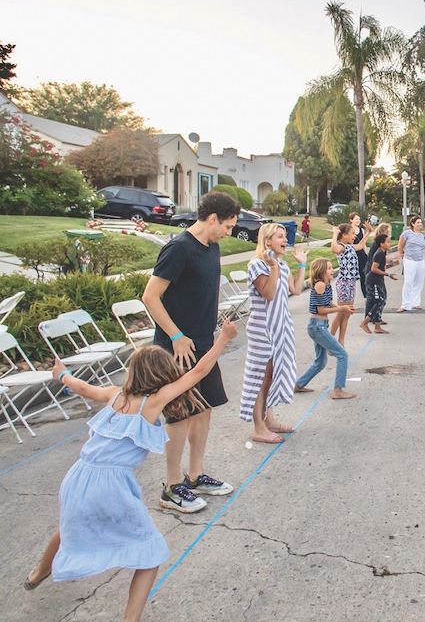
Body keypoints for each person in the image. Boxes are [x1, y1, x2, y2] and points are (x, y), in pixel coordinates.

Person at [24, 322, 238, 620]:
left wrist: (62, 375)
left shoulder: (115, 394)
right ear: (163, 376)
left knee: (68, 527)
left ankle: (38, 573)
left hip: (78, 477)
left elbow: (82, 388)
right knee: (150, 554)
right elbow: (199, 372)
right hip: (110, 486)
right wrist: (223, 339)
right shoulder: (152, 404)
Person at [142, 191, 240, 513]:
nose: (229, 233)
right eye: (227, 226)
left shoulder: (212, 247)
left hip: (204, 343)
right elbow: (150, 297)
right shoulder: (178, 249)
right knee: (179, 415)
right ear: (212, 219)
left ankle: (195, 475)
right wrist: (176, 336)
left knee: (205, 407)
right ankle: (171, 488)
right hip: (178, 349)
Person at [240, 223, 307, 444]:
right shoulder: (257, 265)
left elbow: (295, 290)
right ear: (267, 240)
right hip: (263, 328)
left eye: (285, 236)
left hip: (280, 325)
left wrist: (302, 265)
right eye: (280, 236)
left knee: (271, 375)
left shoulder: (281, 264)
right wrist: (273, 268)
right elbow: (268, 294)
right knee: (260, 377)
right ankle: (258, 427)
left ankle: (269, 419)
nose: (285, 240)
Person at [294, 258, 356, 399]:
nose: (332, 270)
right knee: (342, 354)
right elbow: (320, 310)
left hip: (320, 326)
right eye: (328, 268)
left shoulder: (326, 284)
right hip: (317, 326)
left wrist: (344, 308)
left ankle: (299, 385)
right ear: (321, 271)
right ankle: (338, 390)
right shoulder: (320, 285)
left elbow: (328, 302)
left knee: (321, 362)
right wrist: (341, 308)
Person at [330, 220, 371, 345]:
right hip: (344, 283)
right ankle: (330, 340)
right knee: (341, 312)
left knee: (347, 313)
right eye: (352, 234)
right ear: (344, 236)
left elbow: (360, 246)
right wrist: (335, 234)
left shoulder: (350, 247)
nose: (354, 236)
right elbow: (333, 248)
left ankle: (341, 340)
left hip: (352, 282)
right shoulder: (342, 247)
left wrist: (368, 232)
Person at [360, 234, 397, 334]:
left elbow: (380, 267)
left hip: (379, 280)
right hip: (373, 281)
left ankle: (377, 326)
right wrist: (388, 274)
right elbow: (373, 269)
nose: (389, 243)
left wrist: (391, 266)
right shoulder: (379, 253)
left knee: (382, 301)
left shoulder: (382, 253)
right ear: (381, 244)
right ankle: (365, 322)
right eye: (388, 242)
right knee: (378, 302)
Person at [397, 215, 425, 312]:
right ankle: (405, 304)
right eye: (417, 223)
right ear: (412, 224)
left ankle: (416, 303)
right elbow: (400, 246)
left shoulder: (421, 235)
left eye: (420, 223)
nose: (419, 224)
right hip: (409, 260)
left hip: (420, 260)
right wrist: (402, 254)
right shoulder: (407, 233)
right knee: (408, 282)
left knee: (419, 282)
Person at [349, 212, 371, 299]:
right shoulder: (349, 230)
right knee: (352, 276)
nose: (358, 221)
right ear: (351, 220)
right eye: (356, 219)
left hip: (361, 254)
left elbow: (363, 243)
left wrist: (366, 254)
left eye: (359, 219)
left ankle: (366, 295)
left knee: (364, 276)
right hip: (353, 254)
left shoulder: (361, 230)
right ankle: (350, 296)